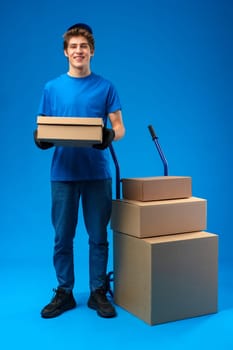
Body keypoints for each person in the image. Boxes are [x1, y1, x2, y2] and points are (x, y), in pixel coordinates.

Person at [34, 23, 125, 319]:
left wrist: (109, 136)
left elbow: (120, 126)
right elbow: (43, 126)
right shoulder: (52, 88)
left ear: (92, 51)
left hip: (97, 172)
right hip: (62, 173)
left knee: (98, 235)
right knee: (62, 236)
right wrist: (39, 138)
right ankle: (65, 292)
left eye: (83, 47)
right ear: (65, 52)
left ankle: (98, 291)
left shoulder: (105, 86)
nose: (78, 51)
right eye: (73, 46)